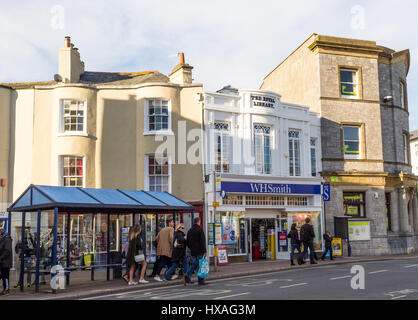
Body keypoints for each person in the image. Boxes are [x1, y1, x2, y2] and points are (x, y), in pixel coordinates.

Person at [183, 217, 207, 286]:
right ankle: (198, 280)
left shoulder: (190, 230)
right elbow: (202, 241)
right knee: (198, 265)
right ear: (199, 222)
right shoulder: (200, 230)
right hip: (199, 251)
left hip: (192, 251)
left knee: (195, 264)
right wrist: (204, 251)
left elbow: (187, 242)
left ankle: (191, 278)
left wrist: (191, 248)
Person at [0, 229, 12, 295]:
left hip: (6, 262)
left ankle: (6, 289)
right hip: (2, 261)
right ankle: (5, 289)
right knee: (3, 276)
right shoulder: (3, 239)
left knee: (5, 276)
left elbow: (7, 251)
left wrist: (1, 257)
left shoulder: (7, 240)